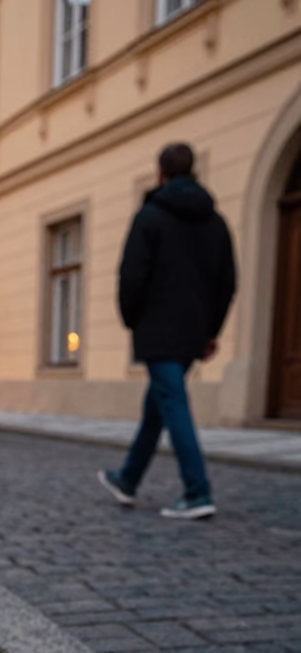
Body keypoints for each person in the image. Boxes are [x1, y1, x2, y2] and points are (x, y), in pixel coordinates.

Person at [98, 143, 236, 520]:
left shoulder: (150, 217)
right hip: (193, 332)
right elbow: (227, 282)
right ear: (193, 172)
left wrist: (132, 320)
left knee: (173, 404)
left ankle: (197, 490)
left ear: (161, 173)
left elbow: (132, 275)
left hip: (157, 328)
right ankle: (128, 479)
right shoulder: (216, 223)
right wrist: (211, 330)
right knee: (158, 406)